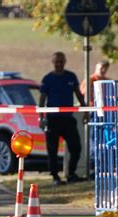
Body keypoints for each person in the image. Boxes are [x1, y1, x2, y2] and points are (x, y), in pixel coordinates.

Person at [39, 52, 86, 185]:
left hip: (67, 119)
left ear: (65, 62)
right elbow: (42, 100)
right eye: (56, 62)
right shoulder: (47, 79)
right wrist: (41, 118)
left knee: (76, 147)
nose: (59, 64)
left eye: (61, 62)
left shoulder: (71, 77)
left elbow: (79, 94)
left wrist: (85, 110)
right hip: (52, 120)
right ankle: (55, 176)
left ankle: (71, 174)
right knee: (52, 150)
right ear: (53, 62)